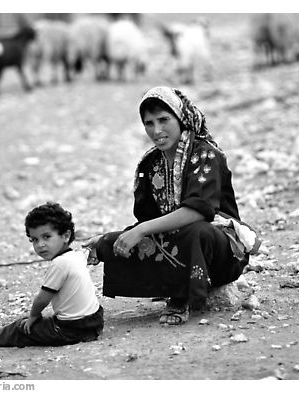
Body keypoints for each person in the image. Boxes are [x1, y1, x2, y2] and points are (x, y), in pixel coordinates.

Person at [85, 86, 260, 326]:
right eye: (149, 123)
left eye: (164, 120)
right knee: (110, 243)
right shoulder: (150, 163)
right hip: (175, 242)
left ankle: (182, 296)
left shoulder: (204, 154)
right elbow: (147, 221)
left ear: (181, 117)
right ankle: (170, 281)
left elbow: (199, 211)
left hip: (217, 249)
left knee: (196, 232)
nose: (156, 131)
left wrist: (140, 231)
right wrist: (116, 237)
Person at [0, 202, 104, 347]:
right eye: (34, 240)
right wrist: (94, 248)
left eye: (46, 237)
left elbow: (42, 299)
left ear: (66, 236)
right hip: (95, 320)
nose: (40, 245)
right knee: (44, 321)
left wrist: (34, 316)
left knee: (23, 327)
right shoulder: (77, 255)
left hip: (71, 329)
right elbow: (88, 251)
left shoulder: (59, 264)